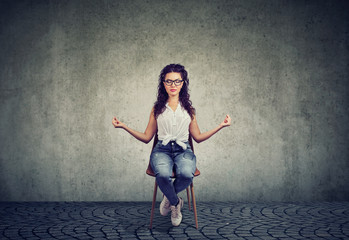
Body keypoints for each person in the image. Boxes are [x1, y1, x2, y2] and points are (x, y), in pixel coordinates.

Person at [112, 64, 231, 226]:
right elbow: (147, 137)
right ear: (163, 83)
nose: (173, 85)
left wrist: (221, 126)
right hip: (162, 150)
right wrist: (123, 126)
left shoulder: (189, 110)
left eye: (177, 81)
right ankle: (176, 203)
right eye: (169, 81)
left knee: (187, 174)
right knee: (161, 174)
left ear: (183, 83)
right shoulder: (157, 109)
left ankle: (169, 197)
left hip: (183, 151)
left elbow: (198, 137)